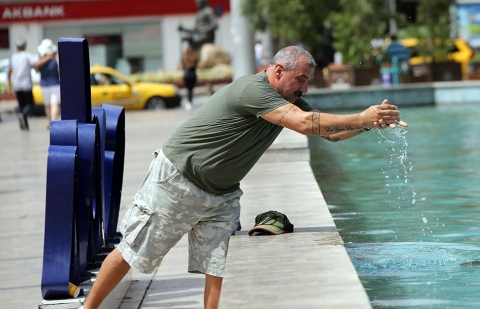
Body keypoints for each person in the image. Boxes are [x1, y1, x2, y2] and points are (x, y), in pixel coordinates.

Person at [80, 46, 407, 309]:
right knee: (133, 253)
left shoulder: (289, 98)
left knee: (217, 269)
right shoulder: (253, 89)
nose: (305, 88)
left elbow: (330, 134)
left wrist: (367, 124)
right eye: (302, 79)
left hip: (221, 194)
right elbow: (308, 124)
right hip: (177, 180)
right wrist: (361, 115)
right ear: (278, 71)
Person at [7, 38, 37, 130]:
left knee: (21, 105)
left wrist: (9, 85)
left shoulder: (13, 57)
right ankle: (23, 115)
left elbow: (9, 71)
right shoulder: (27, 55)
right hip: (26, 84)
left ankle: (25, 124)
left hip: (17, 84)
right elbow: (35, 64)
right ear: (25, 46)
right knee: (30, 104)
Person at [34, 39, 61, 127]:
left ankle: (50, 122)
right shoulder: (54, 59)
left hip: (44, 85)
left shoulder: (40, 60)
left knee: (47, 105)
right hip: (55, 84)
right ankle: (54, 122)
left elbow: (36, 69)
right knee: (54, 104)